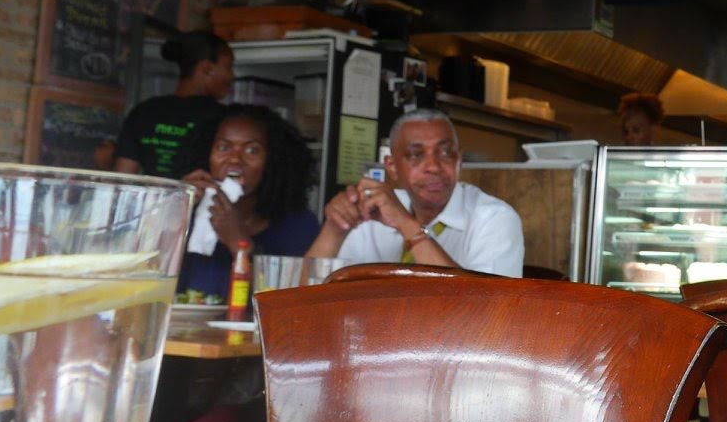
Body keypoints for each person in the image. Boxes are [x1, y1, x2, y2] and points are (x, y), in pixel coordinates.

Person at [306, 109, 523, 277]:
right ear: (391, 166)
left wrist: (407, 225)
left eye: (446, 153)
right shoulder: (372, 211)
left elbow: (489, 310)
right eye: (416, 155)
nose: (434, 167)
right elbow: (302, 293)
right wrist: (334, 229)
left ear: (459, 160)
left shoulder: (495, 218)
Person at [175, 105, 320, 301]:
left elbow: (292, 305)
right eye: (224, 147)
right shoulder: (185, 211)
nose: (235, 159)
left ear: (273, 161)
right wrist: (173, 206)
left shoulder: (298, 225)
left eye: (252, 150)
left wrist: (240, 244)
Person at [114, 31, 234, 178]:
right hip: (202, 201)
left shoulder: (144, 111)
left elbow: (124, 177)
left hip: (155, 201)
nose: (232, 76)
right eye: (228, 68)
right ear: (207, 68)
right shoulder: (226, 119)